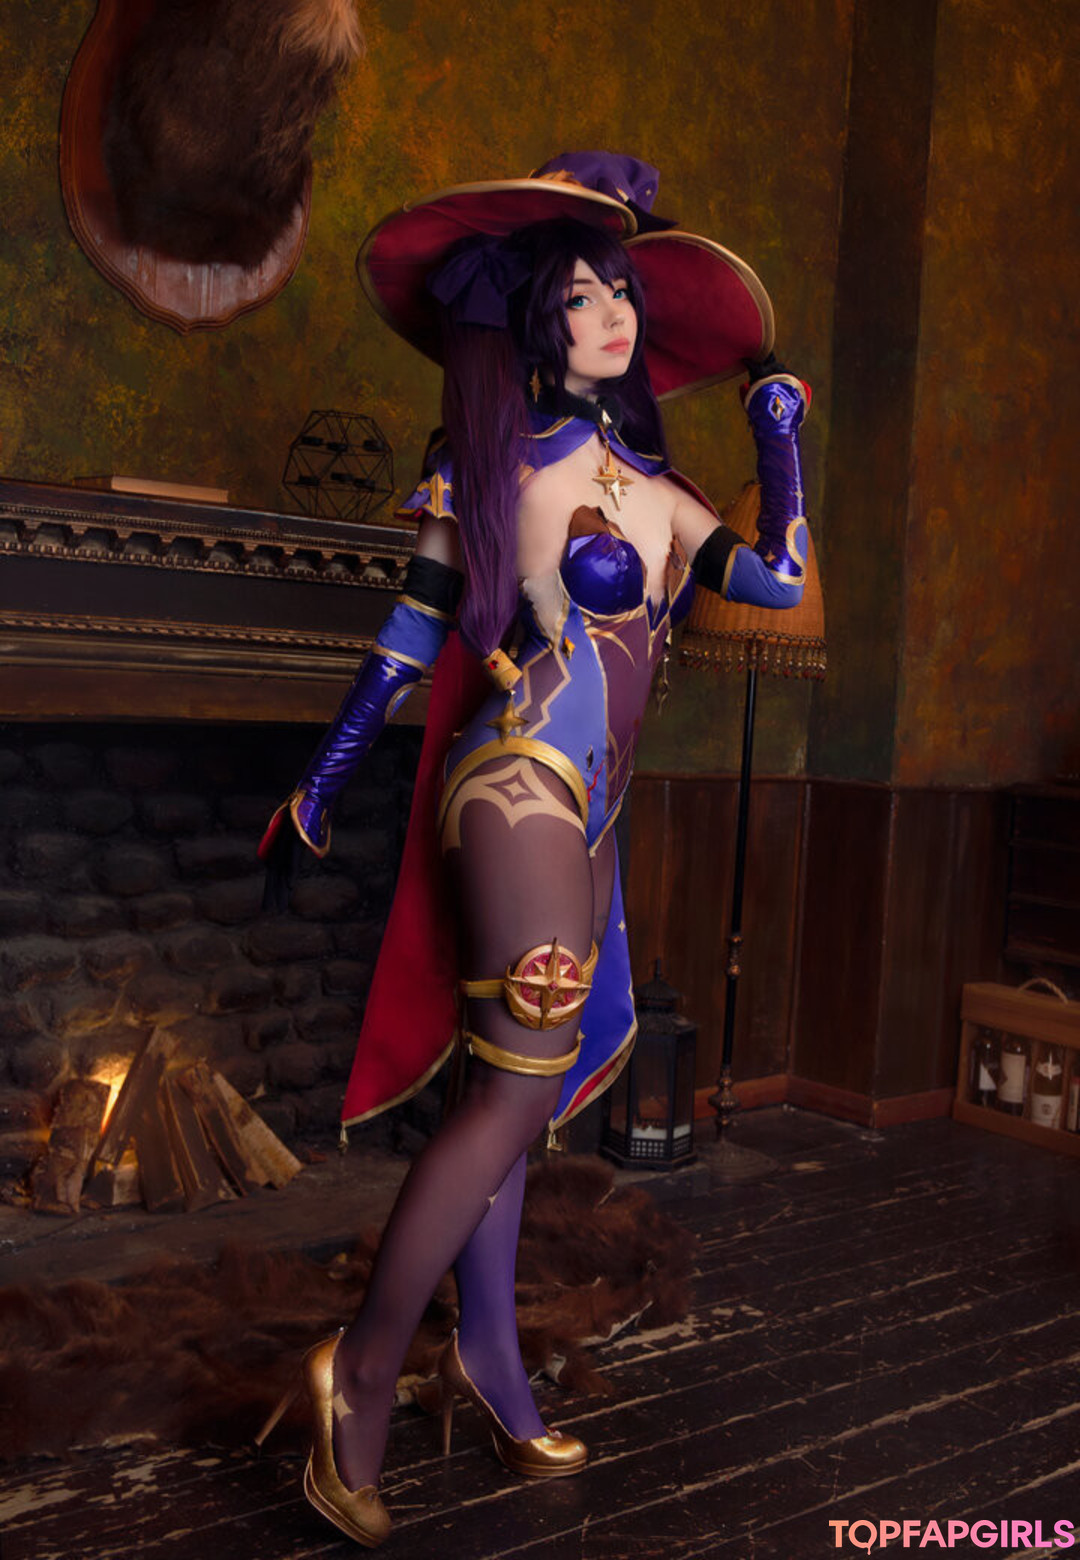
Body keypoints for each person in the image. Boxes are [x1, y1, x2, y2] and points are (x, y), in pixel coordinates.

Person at [257, 151, 810, 1548]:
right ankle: (361, 1373)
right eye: (580, 297)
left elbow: (778, 580)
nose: (612, 315)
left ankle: (493, 1367)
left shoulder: (662, 492)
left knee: (514, 1097)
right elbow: (410, 635)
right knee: (510, 1100)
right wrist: (323, 778)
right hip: (515, 787)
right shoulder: (494, 466)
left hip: (592, 814)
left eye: (622, 293)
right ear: (533, 323)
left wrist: (780, 437)